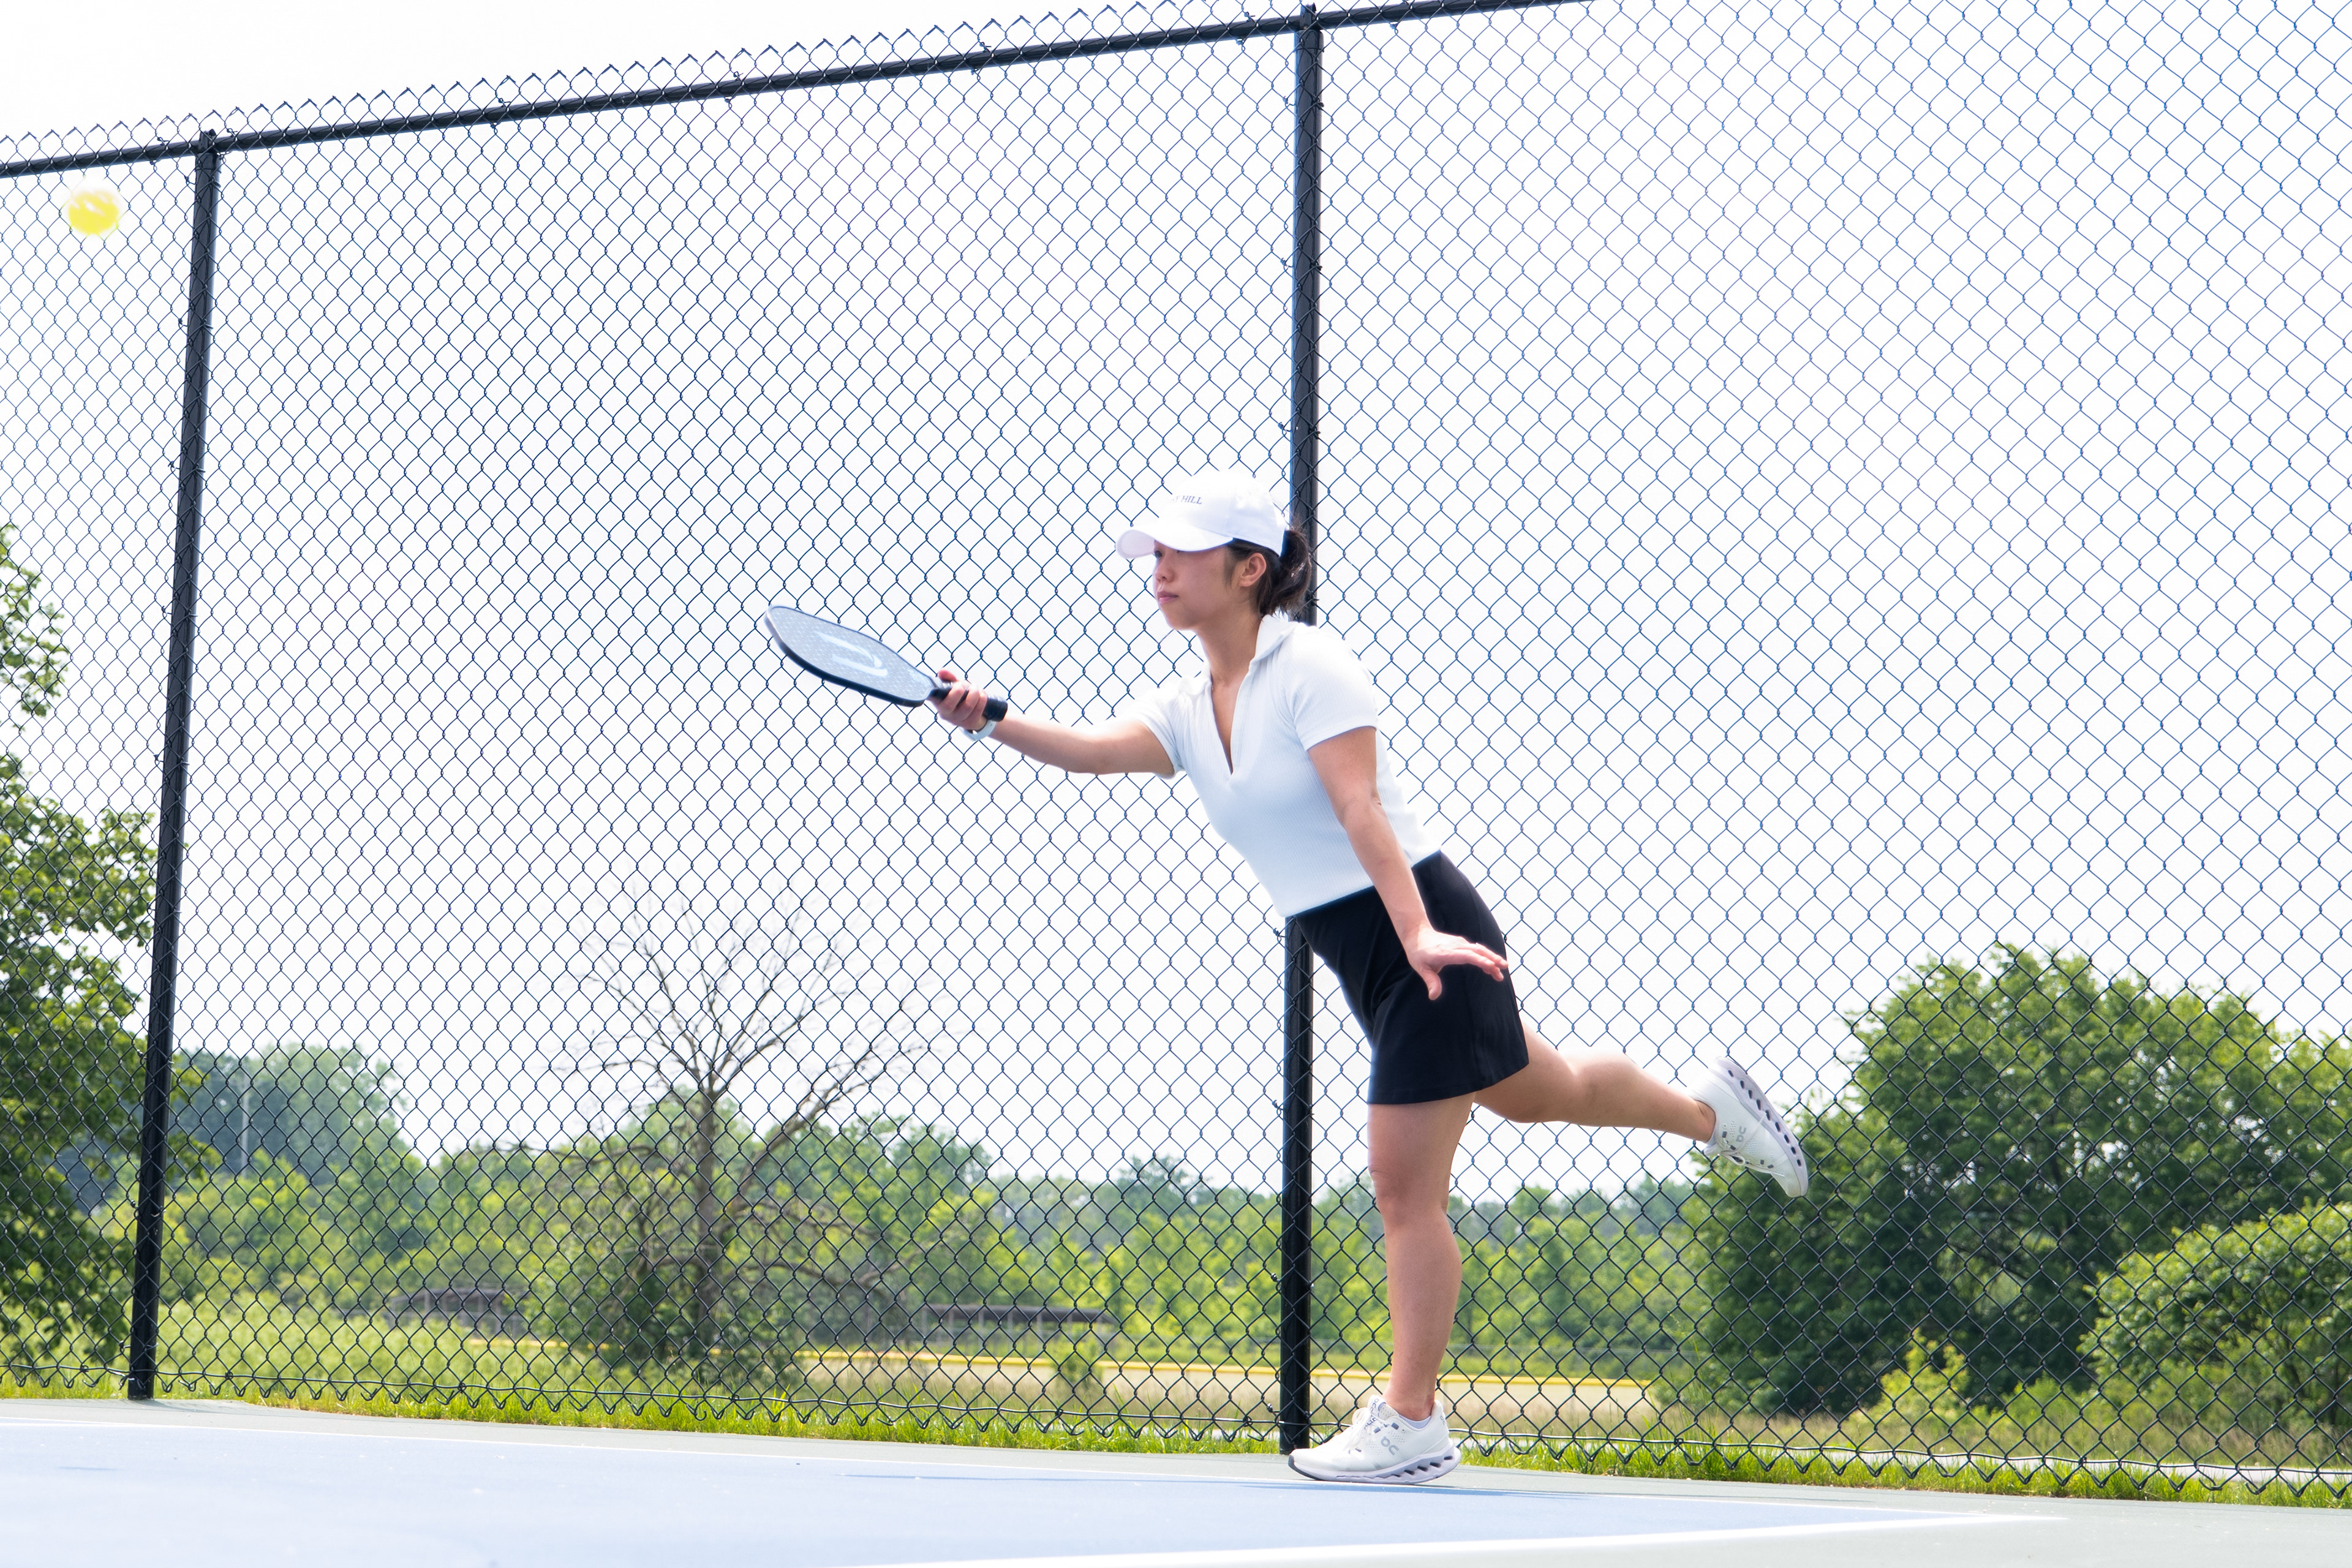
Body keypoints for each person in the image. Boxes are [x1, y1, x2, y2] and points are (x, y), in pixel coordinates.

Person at [930, 469, 1809, 1485]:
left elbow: (1361, 808)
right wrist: (986, 716)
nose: (1159, 569)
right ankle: (1709, 1111)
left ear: (1248, 568)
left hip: (1423, 930)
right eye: (1155, 553)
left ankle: (1413, 1420)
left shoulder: (1312, 667)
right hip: (1363, 947)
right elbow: (1091, 750)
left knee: (1402, 1186)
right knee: (1542, 1091)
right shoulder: (1186, 706)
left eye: (1182, 553)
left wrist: (1420, 934)